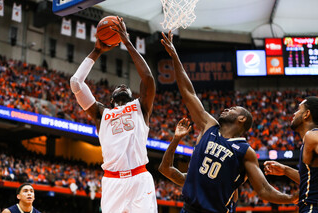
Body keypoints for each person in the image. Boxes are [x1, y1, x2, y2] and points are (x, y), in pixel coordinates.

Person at [159, 31, 297, 213]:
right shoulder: (209, 125)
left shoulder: (245, 152)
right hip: (188, 209)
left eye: (233, 109)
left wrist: (290, 198)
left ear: (242, 119)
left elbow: (263, 189)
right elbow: (189, 92)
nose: (226, 109)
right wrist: (175, 56)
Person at [70, 17, 157, 213]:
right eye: (118, 86)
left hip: (139, 178)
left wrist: (127, 42)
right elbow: (76, 83)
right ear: (110, 100)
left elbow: (148, 78)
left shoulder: (141, 106)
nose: (123, 85)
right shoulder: (102, 113)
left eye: (126, 86)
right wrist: (97, 51)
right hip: (112, 181)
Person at [264, 96, 318, 213]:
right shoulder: (308, 140)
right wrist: (285, 170)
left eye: (298, 109)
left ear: (306, 114)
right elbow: (311, 180)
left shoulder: (312, 136)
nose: (294, 113)